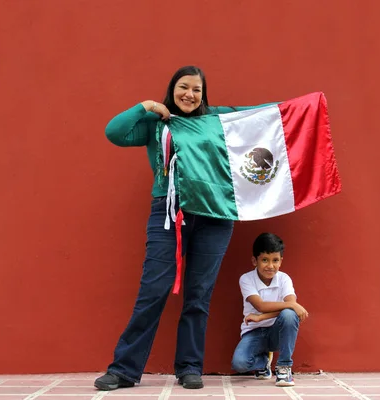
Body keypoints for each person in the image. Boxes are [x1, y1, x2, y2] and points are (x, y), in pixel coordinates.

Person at [94, 66, 265, 391]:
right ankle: (124, 369)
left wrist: (303, 108)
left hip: (216, 215)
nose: (190, 94)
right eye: (183, 87)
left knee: (198, 295)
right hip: (169, 214)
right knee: (153, 291)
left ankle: (189, 367)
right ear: (172, 90)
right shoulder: (156, 125)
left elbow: (260, 118)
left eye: (197, 90)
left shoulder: (217, 119)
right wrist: (145, 106)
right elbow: (114, 132)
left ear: (204, 94)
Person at [231, 233, 309, 387]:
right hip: (254, 332)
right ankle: (263, 362)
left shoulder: (284, 279)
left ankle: (284, 367)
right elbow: (260, 305)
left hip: (276, 332)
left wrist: (261, 317)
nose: (270, 266)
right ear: (255, 261)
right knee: (239, 363)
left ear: (281, 261)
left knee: (288, 315)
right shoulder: (246, 279)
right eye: (265, 260)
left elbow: (290, 306)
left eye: (275, 260)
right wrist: (291, 305)